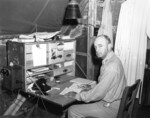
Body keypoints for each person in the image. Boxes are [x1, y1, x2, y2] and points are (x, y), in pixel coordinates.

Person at [67, 35, 127, 118]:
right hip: (115, 102)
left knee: (72, 110)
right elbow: (108, 84)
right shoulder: (113, 59)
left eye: (100, 46)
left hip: (110, 107)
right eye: (95, 47)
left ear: (109, 46)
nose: (97, 50)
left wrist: (79, 96)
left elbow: (99, 94)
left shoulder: (111, 67)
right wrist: (93, 86)